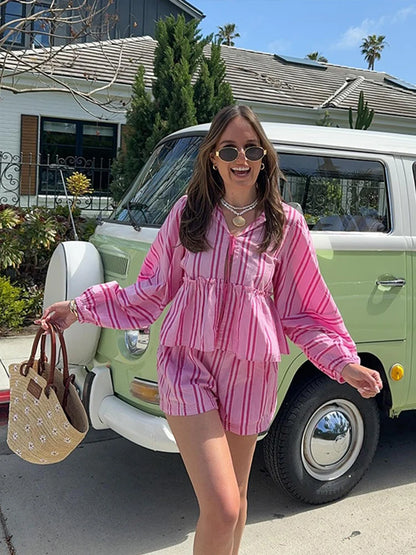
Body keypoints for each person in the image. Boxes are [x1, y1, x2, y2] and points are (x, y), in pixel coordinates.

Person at [38, 105, 383, 555]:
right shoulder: (189, 214)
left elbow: (304, 311)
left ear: (265, 157)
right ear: (213, 157)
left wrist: (343, 363)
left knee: (236, 504)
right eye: (229, 148)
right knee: (221, 506)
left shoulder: (286, 225)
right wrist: (79, 308)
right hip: (187, 366)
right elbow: (150, 292)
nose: (242, 158)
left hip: (250, 373)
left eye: (252, 149)